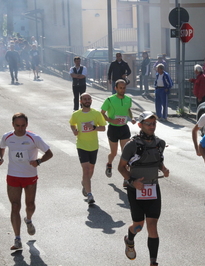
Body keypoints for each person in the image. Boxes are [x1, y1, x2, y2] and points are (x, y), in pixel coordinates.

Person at [118, 111, 169, 266]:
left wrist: (164, 169)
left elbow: (157, 161)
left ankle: (153, 262)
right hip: (136, 189)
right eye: (148, 124)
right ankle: (129, 239)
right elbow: (121, 168)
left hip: (153, 188)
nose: (152, 127)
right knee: (139, 225)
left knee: (152, 225)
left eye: (154, 124)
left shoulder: (159, 143)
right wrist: (133, 182)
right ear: (140, 125)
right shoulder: (131, 145)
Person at [0, 113, 53, 250]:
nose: (20, 128)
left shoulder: (34, 138)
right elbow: (1, 148)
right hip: (13, 175)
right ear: (13, 125)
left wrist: (38, 161)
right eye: (17, 126)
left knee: (30, 204)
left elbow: (49, 153)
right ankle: (17, 238)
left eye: (23, 126)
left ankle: (28, 219)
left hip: (29, 176)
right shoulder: (7, 137)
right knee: (15, 206)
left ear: (27, 125)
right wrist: (0, 158)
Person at [69, 93, 106, 205]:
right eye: (85, 99)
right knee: (85, 169)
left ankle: (85, 183)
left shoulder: (96, 114)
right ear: (81, 101)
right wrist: (74, 130)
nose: (87, 101)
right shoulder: (76, 114)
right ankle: (90, 195)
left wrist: (94, 127)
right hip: (81, 145)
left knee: (91, 170)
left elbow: (103, 128)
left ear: (91, 100)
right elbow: (72, 124)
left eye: (89, 99)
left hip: (93, 145)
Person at [101, 79, 136, 178]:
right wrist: (111, 120)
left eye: (124, 88)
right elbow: (102, 114)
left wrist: (132, 118)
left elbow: (128, 110)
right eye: (120, 88)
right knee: (114, 153)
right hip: (113, 129)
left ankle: (126, 177)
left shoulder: (128, 99)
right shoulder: (109, 100)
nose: (122, 90)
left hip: (124, 128)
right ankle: (109, 164)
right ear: (115, 88)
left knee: (126, 154)